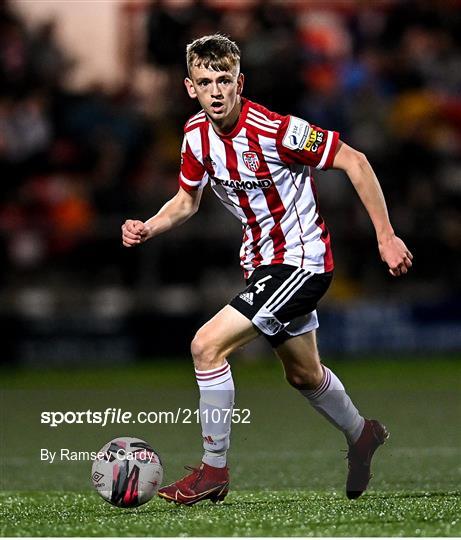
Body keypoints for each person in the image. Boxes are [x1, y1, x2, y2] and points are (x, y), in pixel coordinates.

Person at [121, 34, 413, 505]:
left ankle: (213, 470)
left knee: (206, 346)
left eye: (224, 80)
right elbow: (185, 201)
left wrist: (385, 235)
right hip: (262, 267)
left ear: (241, 81)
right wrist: (148, 227)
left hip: (301, 261)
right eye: (204, 82)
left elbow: (354, 161)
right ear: (189, 87)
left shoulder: (278, 130)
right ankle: (362, 435)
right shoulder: (195, 135)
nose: (216, 91)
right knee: (303, 375)